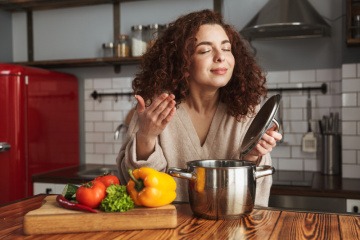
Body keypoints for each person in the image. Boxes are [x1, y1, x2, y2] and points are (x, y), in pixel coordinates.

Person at [117, 9, 282, 207]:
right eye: (205, 50)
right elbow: (135, 186)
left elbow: (256, 196)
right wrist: (146, 136)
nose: (221, 57)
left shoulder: (248, 110)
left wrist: (253, 156)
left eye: (227, 48)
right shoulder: (154, 110)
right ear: (183, 63)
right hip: (170, 232)